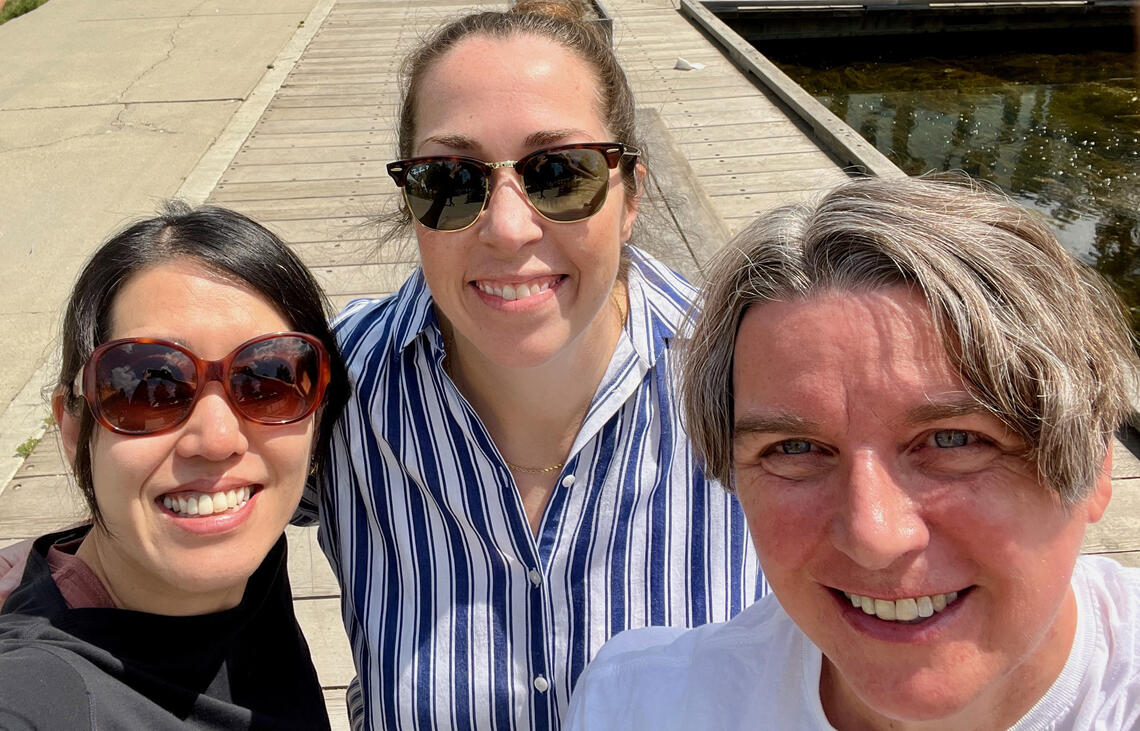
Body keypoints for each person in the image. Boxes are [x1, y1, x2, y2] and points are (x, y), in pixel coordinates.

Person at [298, 1, 764, 727]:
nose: (510, 229)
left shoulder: (752, 377)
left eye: (559, 174)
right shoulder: (340, 384)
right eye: (451, 181)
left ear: (631, 194)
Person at [564, 175, 1140, 730]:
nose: (873, 536)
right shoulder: (640, 707)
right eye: (794, 449)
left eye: (953, 440)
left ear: (1095, 464)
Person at [0, 203, 350, 729]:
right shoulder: (40, 696)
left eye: (268, 380)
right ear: (74, 431)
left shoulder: (238, 551)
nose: (217, 440)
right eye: (148, 388)